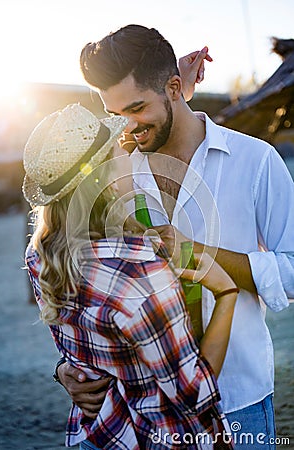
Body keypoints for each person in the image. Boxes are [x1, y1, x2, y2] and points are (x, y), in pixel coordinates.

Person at [57, 25, 294, 449]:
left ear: (173, 88)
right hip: (139, 412)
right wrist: (68, 368)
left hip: (238, 402)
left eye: (137, 108)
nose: (128, 127)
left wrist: (200, 254)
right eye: (116, 115)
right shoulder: (109, 175)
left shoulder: (256, 161)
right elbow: (81, 289)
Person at [23, 102, 239, 449]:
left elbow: (81, 350)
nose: (129, 152)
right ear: (105, 176)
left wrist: (64, 370)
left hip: (98, 434)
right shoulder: (139, 272)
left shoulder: (41, 255)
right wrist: (226, 293)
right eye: (117, 150)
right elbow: (194, 395)